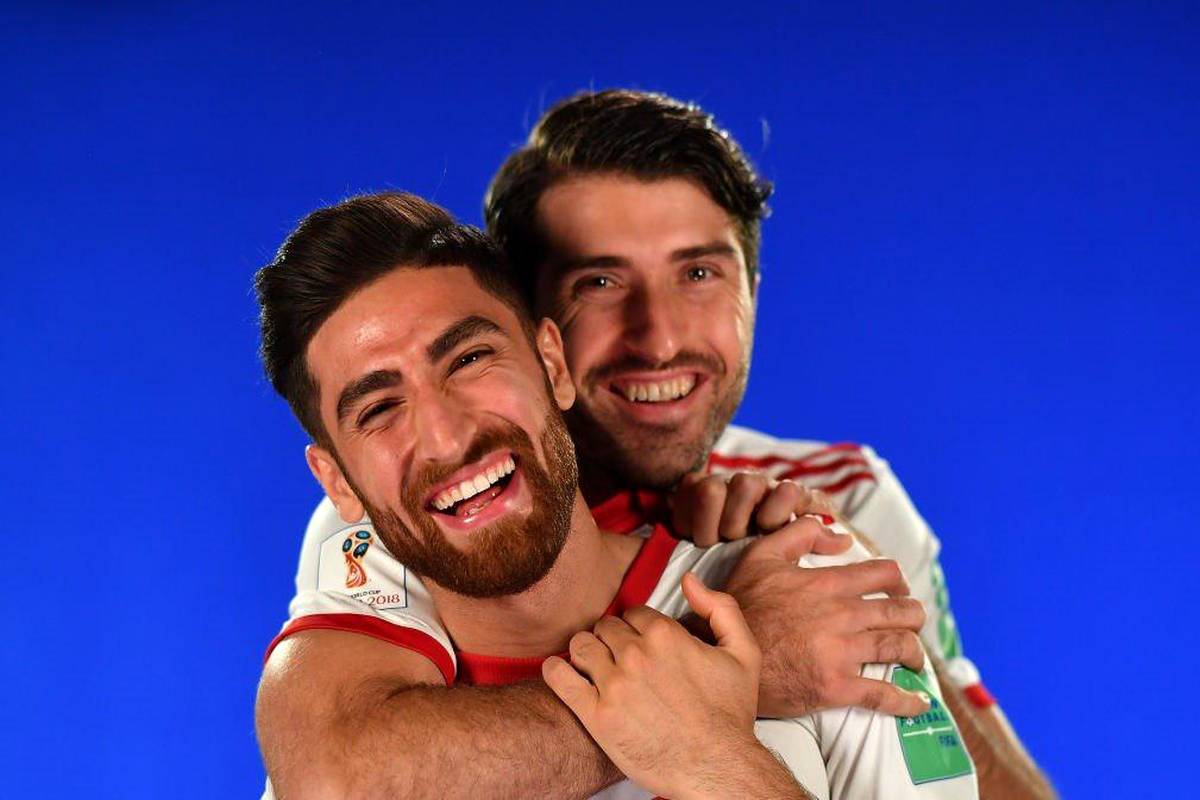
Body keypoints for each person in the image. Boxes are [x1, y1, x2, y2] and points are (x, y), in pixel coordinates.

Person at [264, 90, 1053, 797]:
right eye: (600, 283)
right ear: (544, 329)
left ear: (752, 292)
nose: (660, 338)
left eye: (699, 274)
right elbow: (337, 773)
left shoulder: (838, 505)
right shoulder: (398, 515)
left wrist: (875, 612)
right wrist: (725, 667)